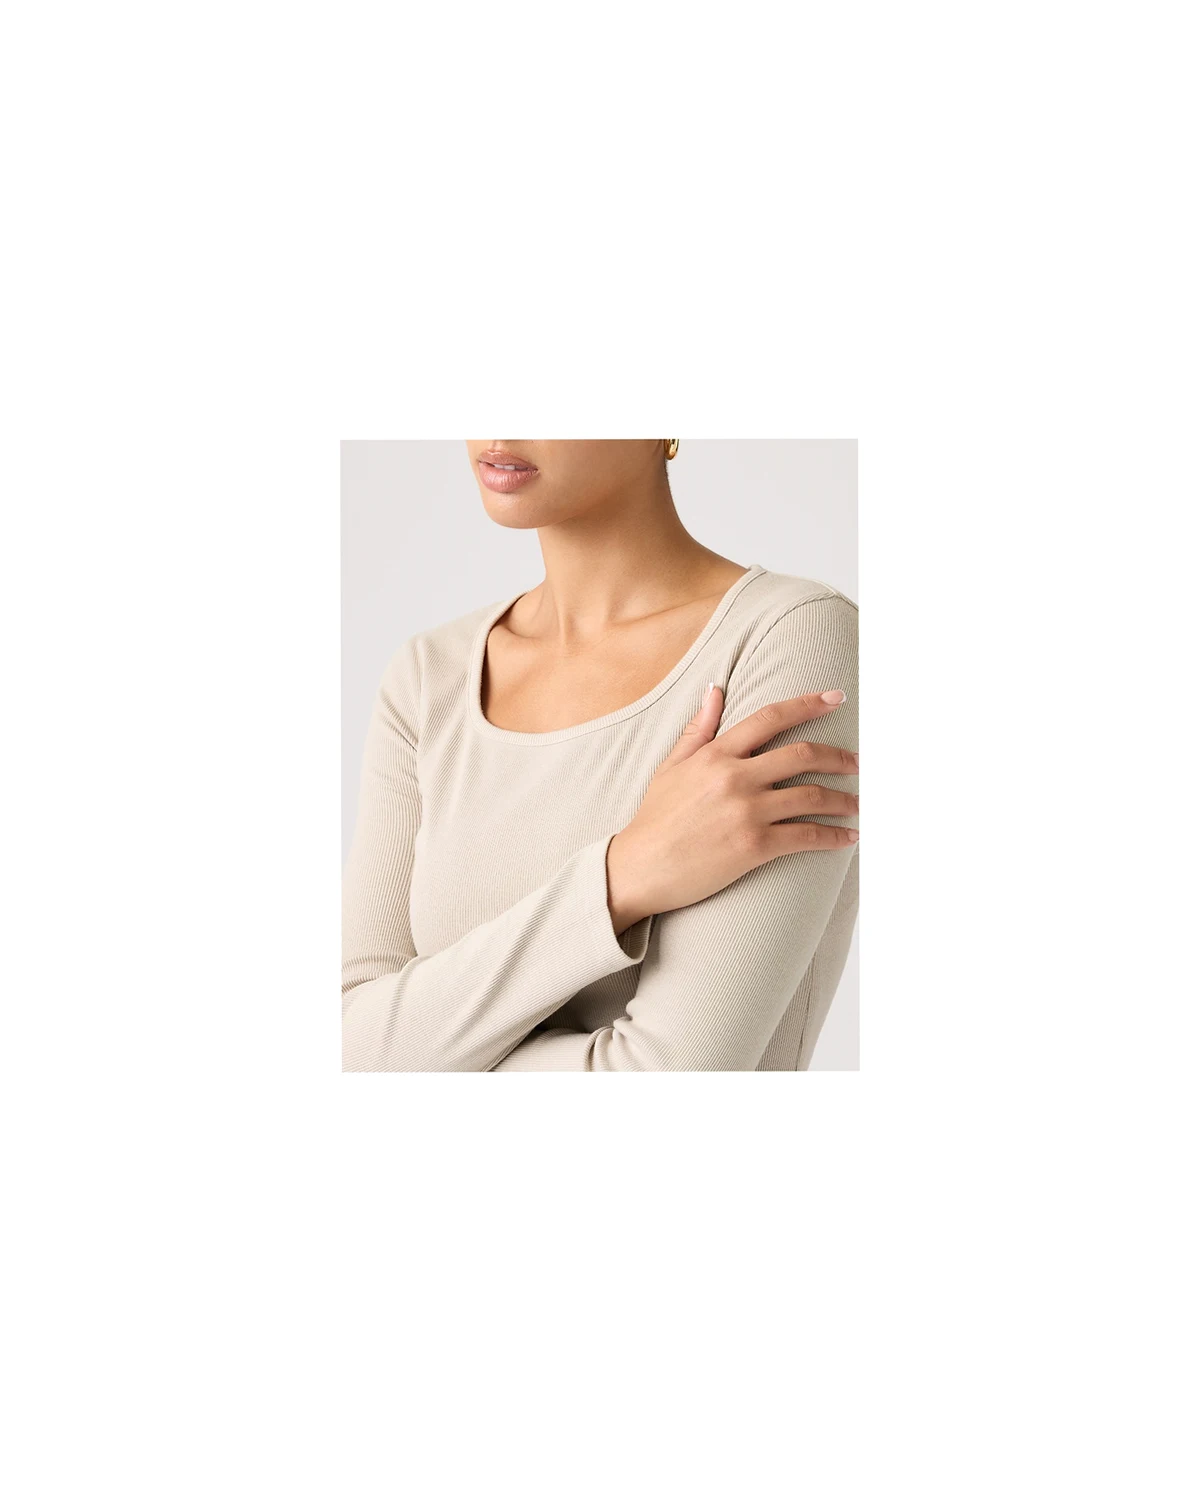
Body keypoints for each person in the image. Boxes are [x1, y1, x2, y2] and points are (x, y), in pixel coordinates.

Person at [342, 439, 859, 1071]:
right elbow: (347, 1044)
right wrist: (621, 878)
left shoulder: (788, 637)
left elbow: (669, 1074)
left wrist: (416, 1055)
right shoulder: (430, 677)